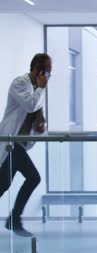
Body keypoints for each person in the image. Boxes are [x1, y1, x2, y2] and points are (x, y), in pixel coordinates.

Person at [0, 53, 50, 237]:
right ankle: (14, 219)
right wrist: (42, 89)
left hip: (18, 146)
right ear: (37, 69)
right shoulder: (19, 83)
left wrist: (40, 127)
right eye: (46, 72)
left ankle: (14, 219)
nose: (47, 78)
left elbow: (35, 121)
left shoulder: (37, 90)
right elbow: (30, 105)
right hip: (10, 143)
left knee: (3, 184)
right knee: (33, 178)